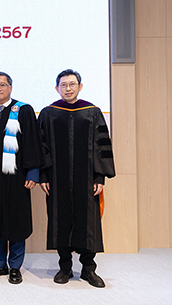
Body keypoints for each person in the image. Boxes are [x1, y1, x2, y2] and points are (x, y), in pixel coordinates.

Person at [38, 69, 116, 288]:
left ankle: (88, 269)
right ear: (57, 88)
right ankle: (64, 267)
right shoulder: (48, 113)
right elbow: (41, 147)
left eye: (72, 84)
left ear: (80, 87)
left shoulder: (92, 112)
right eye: (63, 85)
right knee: (60, 219)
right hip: (57, 178)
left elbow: (102, 146)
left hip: (87, 179)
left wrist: (99, 177)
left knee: (88, 221)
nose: (68, 88)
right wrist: (43, 175)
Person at [0, 71, 44, 284]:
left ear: (10, 88)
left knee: (16, 221)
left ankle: (15, 266)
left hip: (17, 177)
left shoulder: (23, 110)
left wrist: (33, 172)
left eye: (2, 85)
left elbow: (32, 142)